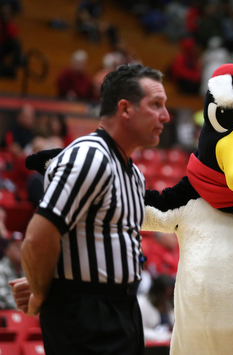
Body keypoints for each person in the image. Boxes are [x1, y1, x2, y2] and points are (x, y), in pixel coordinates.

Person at [9, 63, 170, 355]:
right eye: (156, 105)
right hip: (87, 317)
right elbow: (37, 238)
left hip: (123, 309)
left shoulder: (133, 173)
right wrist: (41, 292)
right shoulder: (90, 156)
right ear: (125, 108)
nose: (165, 116)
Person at [137, 274, 175, 342]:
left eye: (169, 296)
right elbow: (140, 332)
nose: (166, 299)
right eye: (164, 295)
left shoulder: (169, 304)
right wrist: (167, 336)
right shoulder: (141, 303)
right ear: (156, 292)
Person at [0, 231, 23, 309]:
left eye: (22, 247)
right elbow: (3, 295)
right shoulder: (1, 268)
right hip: (7, 312)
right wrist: (23, 309)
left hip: (24, 312)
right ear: (7, 251)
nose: (21, 250)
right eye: (17, 247)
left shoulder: (25, 269)